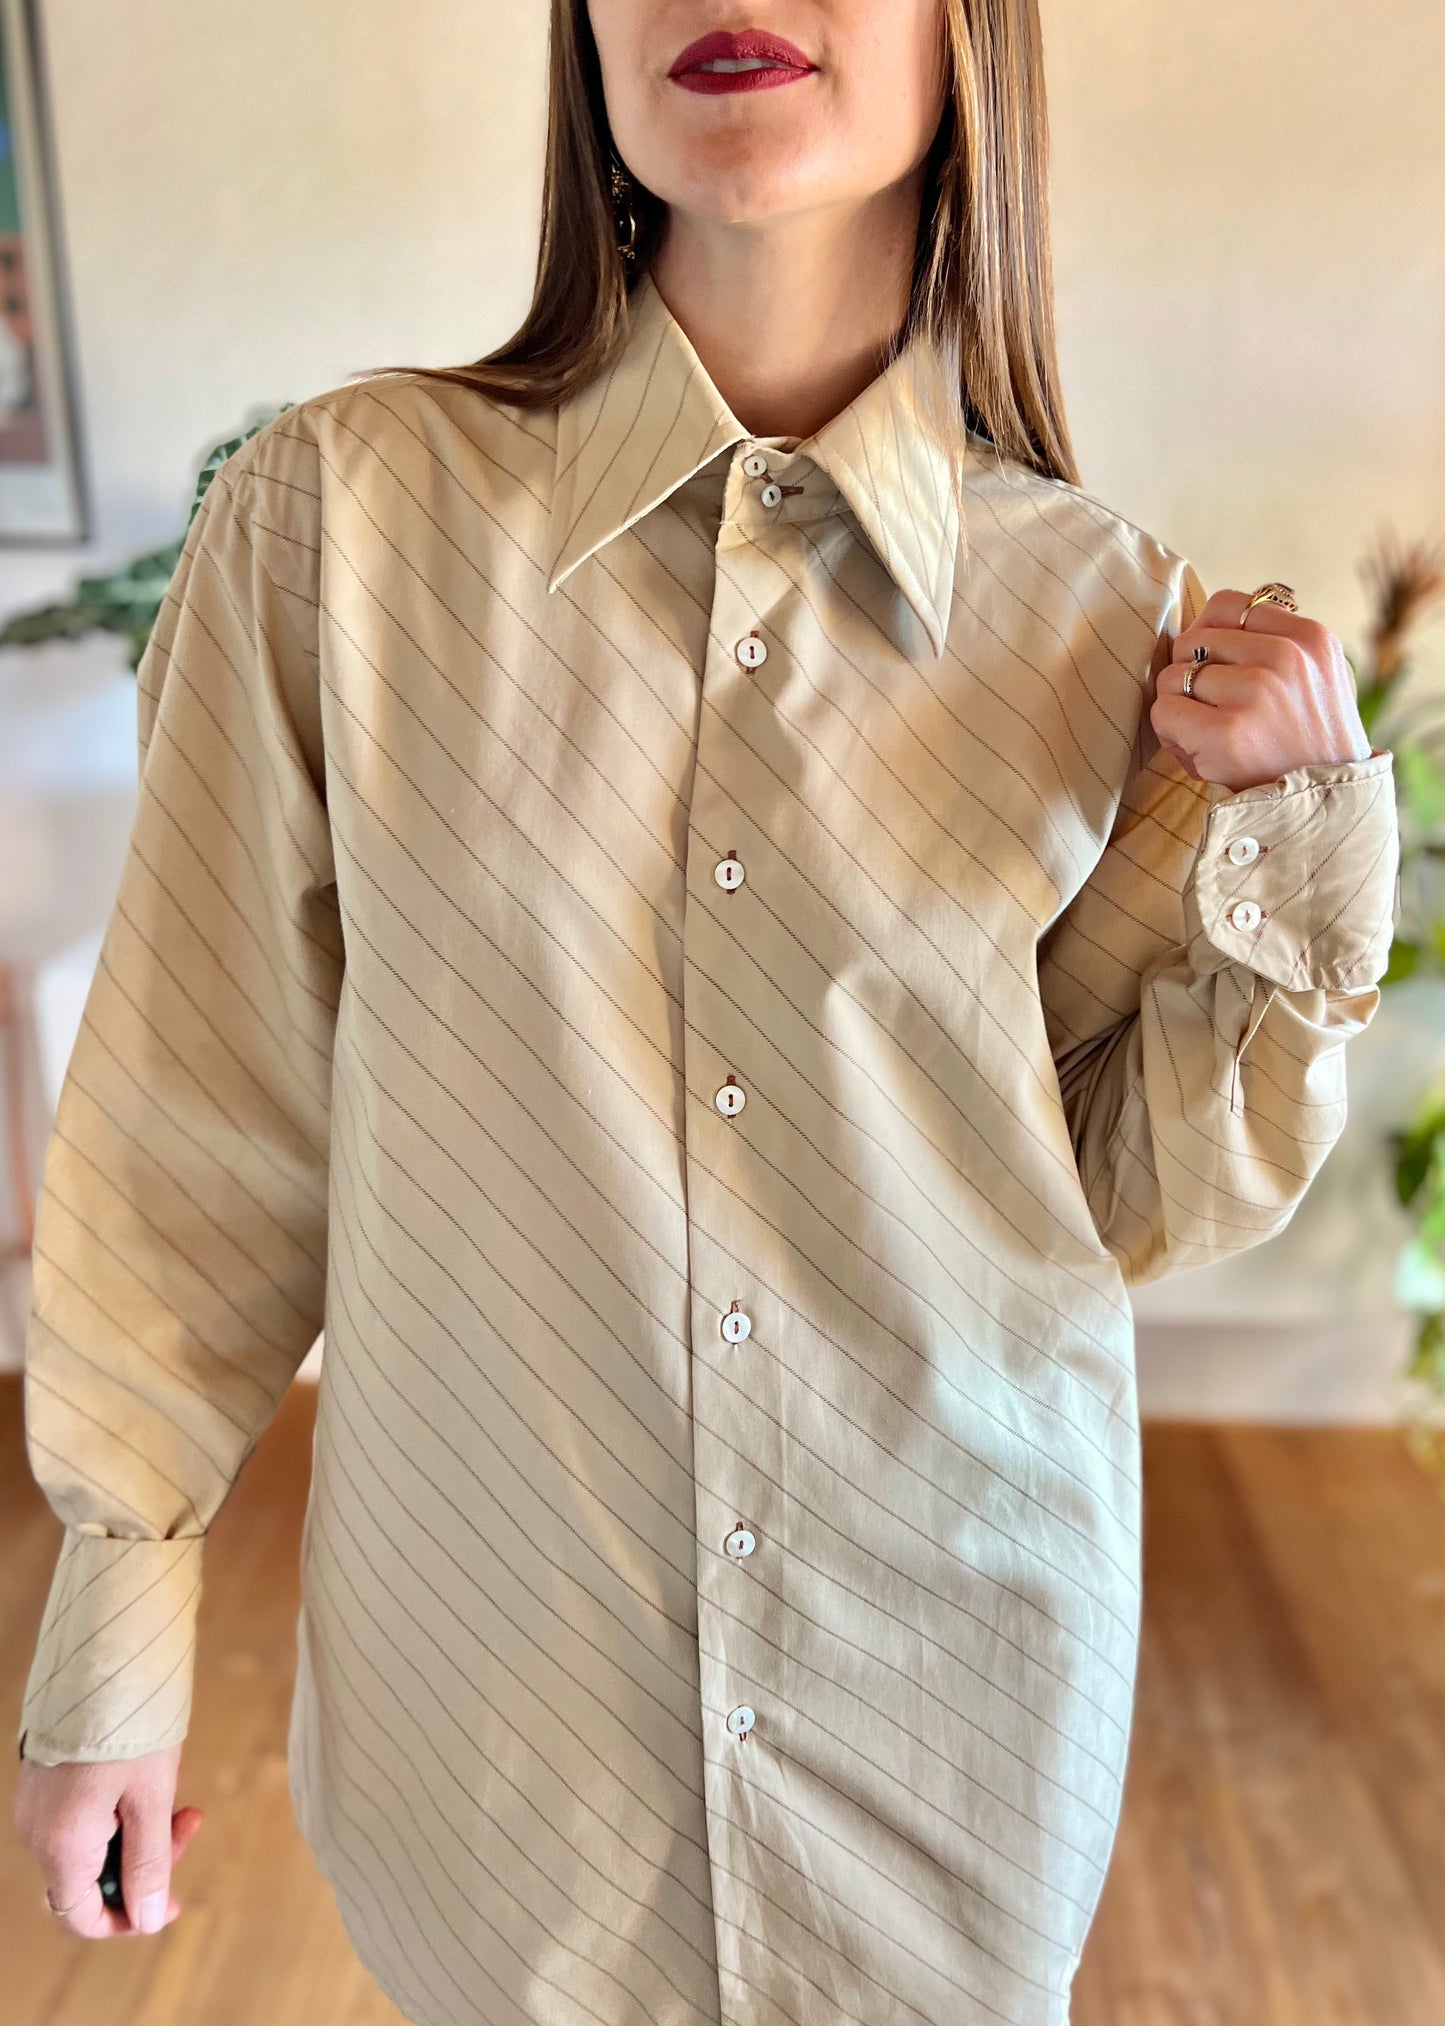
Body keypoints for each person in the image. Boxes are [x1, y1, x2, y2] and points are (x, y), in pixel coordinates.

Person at [12, 1, 1399, 2021]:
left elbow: (1115, 1193)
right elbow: (195, 1121)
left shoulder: (1113, 618)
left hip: (959, 1692)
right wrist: (116, 1619)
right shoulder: (342, 526)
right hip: (493, 1724)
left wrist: (1299, 852)